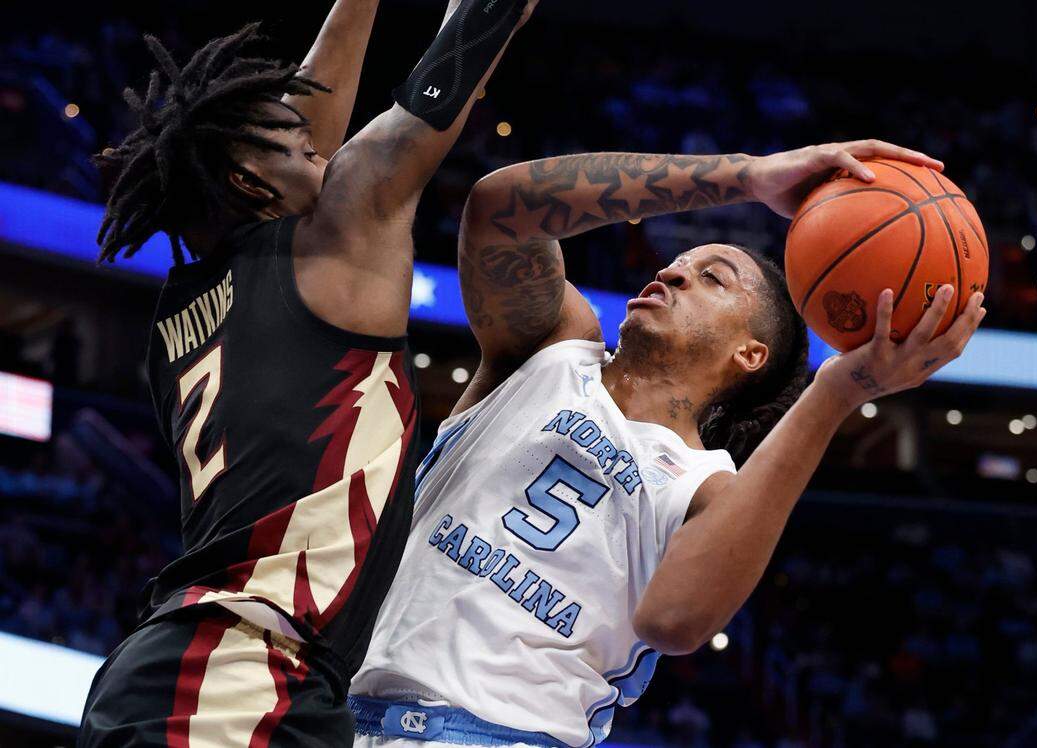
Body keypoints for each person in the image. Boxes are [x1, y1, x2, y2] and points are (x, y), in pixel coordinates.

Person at [349, 142, 985, 746]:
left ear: (750, 353)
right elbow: (499, 207)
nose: (673, 273)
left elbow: (675, 621)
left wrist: (838, 393)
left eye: (712, 278)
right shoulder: (552, 350)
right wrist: (748, 177)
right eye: (678, 263)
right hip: (331, 702)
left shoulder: (706, 490)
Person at [78, 0, 538, 743]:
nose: (324, 151)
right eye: (302, 148)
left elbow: (298, 121)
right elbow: (413, 123)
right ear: (250, 180)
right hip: (236, 675)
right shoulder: (331, 252)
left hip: (223, 673)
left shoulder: (185, 315)